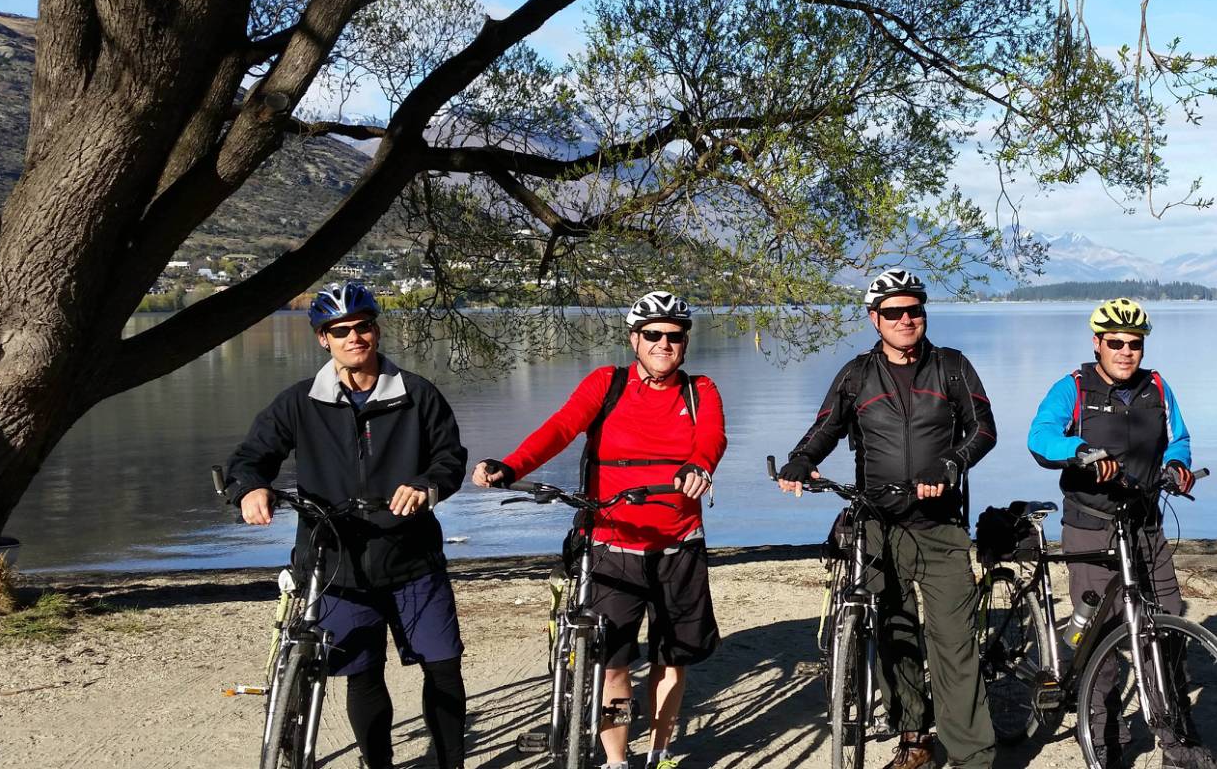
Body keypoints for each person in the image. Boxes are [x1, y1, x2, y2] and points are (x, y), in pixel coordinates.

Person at [472, 291, 725, 769]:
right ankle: (616, 759)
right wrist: (511, 464)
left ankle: (660, 750)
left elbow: (712, 435)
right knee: (614, 665)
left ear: (685, 342)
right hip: (612, 544)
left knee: (673, 660)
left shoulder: (701, 391)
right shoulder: (607, 383)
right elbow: (561, 428)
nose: (664, 344)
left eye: (674, 336)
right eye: (653, 335)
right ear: (635, 339)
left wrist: (700, 464)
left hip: (679, 546)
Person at [226, 282, 470, 769]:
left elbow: (450, 459)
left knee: (442, 667)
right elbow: (252, 457)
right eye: (340, 331)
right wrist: (250, 488)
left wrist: (426, 485)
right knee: (363, 673)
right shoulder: (300, 402)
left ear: (376, 330)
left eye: (362, 327)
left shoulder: (417, 395)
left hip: (411, 557)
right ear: (324, 339)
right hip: (335, 561)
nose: (354, 337)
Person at [775, 268, 997, 769]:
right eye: (893, 312)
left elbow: (983, 430)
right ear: (875, 319)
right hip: (877, 525)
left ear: (923, 315)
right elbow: (825, 428)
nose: (905, 319)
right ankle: (914, 739)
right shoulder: (856, 374)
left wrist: (950, 464)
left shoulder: (952, 367)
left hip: (940, 527)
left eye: (913, 310)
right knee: (894, 637)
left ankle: (973, 757)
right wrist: (800, 461)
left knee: (955, 646)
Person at [1026, 298, 1196, 762]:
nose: (1126, 351)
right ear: (1097, 342)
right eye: (1116, 342)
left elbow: (1177, 436)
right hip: (1091, 525)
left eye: (1134, 343)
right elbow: (1040, 436)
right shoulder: (1074, 387)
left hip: (1145, 524)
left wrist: (1178, 463)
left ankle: (1177, 739)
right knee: (1100, 632)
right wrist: (1079, 449)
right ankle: (1107, 738)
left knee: (1169, 621)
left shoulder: (1157, 387)